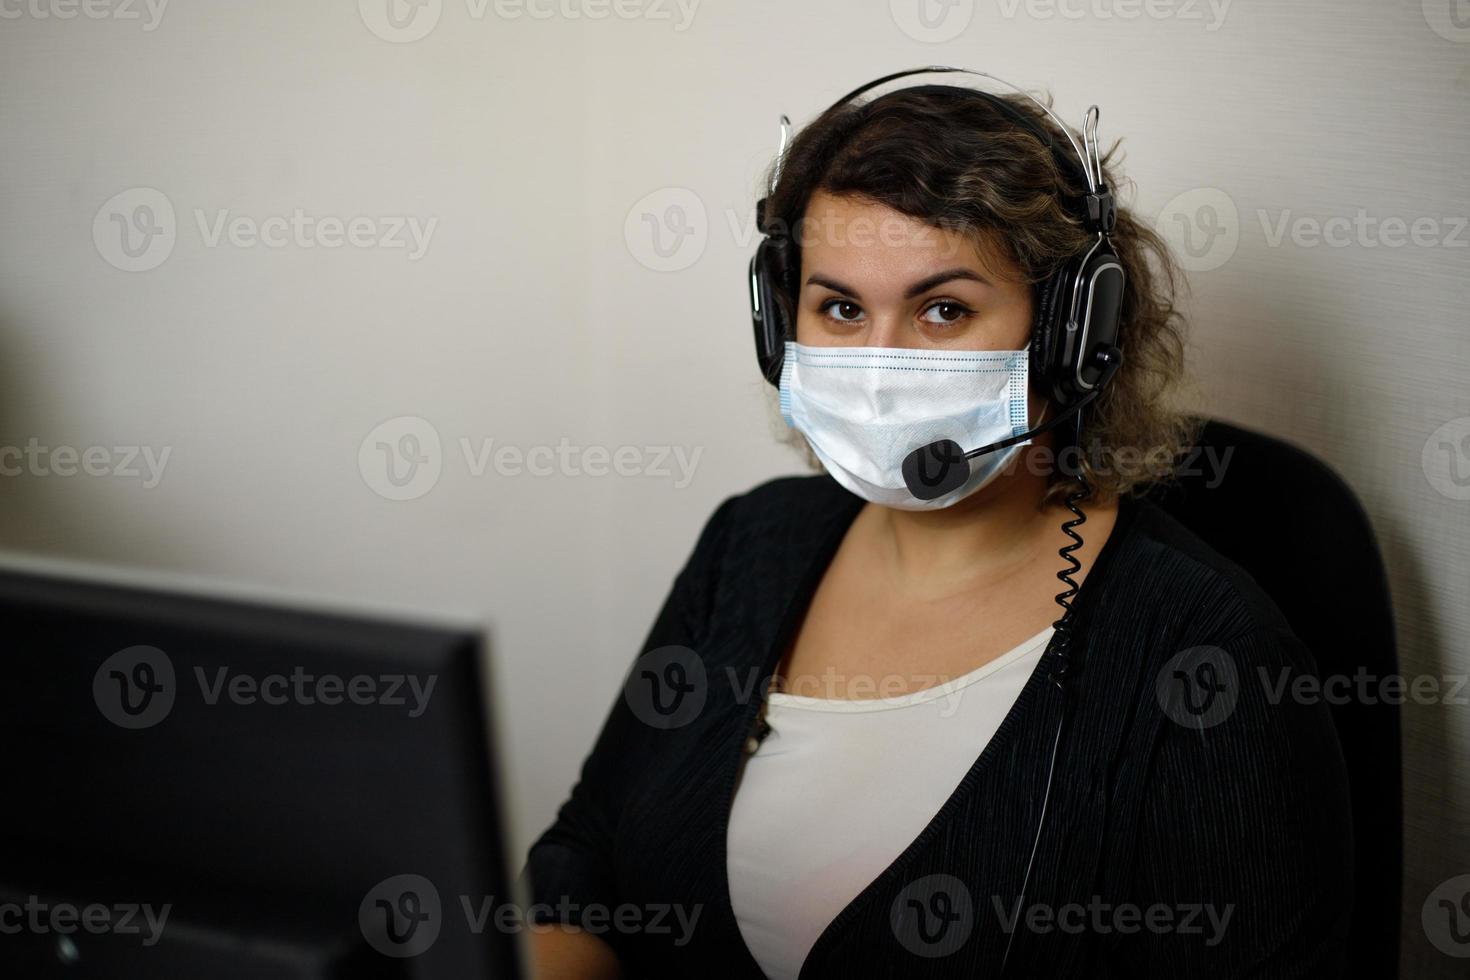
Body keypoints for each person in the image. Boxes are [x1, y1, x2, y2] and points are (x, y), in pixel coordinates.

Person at [523, 70, 1353, 978]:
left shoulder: (1202, 649)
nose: (878, 365)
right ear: (780, 326)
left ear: (1073, 336)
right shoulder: (752, 542)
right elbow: (583, 867)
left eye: (944, 309)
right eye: (839, 307)